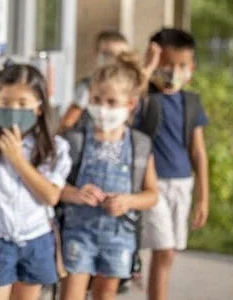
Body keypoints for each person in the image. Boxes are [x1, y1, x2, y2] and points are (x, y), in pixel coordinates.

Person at [0, 62, 72, 300]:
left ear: (39, 108)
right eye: (5, 102)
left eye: (23, 104)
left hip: (37, 240)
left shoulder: (55, 148)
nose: (13, 110)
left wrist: (17, 159)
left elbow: (50, 196)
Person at [58, 53, 159, 300]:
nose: (103, 108)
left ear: (130, 104)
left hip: (118, 236)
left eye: (112, 102)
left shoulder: (139, 145)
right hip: (78, 233)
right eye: (96, 100)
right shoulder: (75, 141)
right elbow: (53, 187)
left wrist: (128, 202)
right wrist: (75, 194)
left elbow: (152, 194)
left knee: (106, 294)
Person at [139, 28, 209, 300]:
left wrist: (203, 198)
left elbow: (198, 152)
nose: (173, 71)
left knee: (168, 254)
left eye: (182, 65)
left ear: (191, 68)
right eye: (166, 64)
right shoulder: (144, 99)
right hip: (151, 186)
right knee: (164, 249)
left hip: (182, 184)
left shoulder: (191, 102)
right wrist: (146, 68)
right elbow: (129, 95)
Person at [59, 31, 161, 134]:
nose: (114, 60)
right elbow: (67, 123)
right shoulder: (88, 86)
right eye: (107, 54)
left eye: (121, 55)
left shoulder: (133, 87)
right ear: (95, 54)